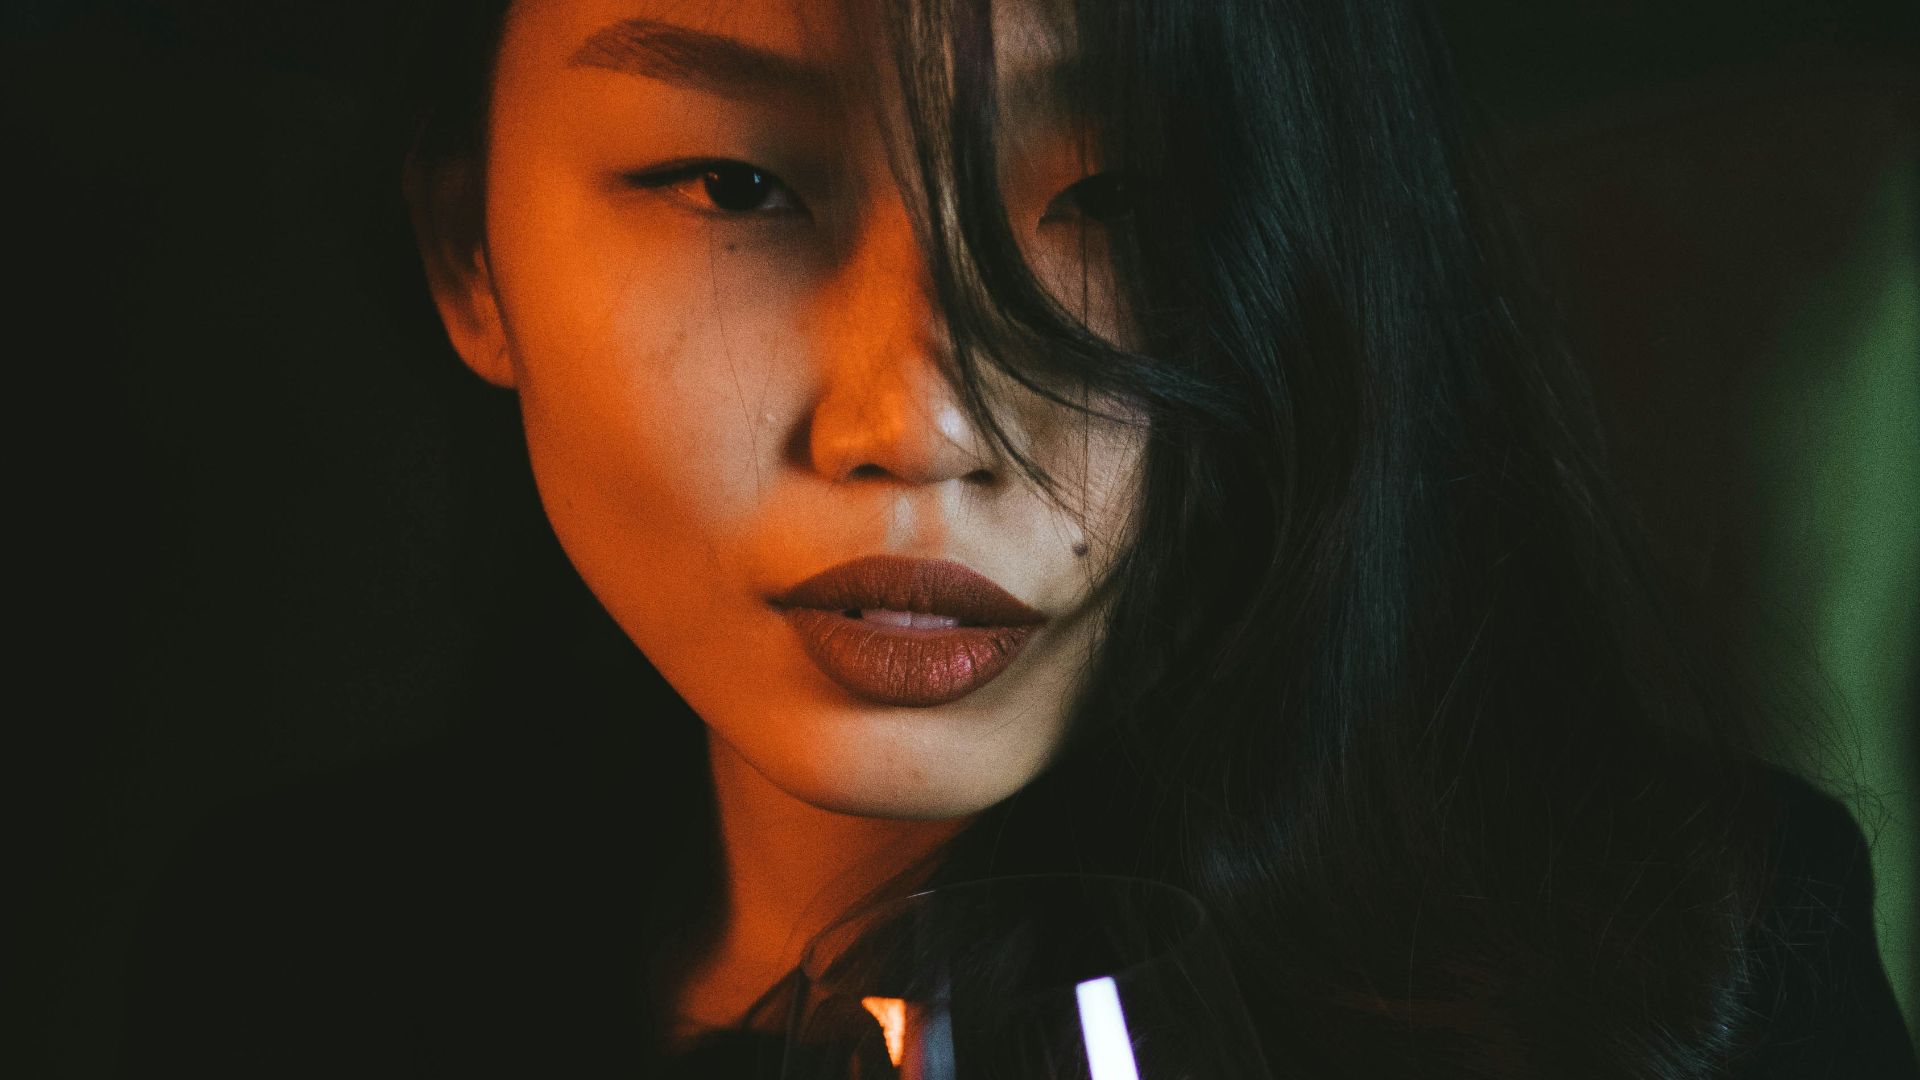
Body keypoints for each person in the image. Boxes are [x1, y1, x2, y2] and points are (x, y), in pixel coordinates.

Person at [118, 0, 1916, 1076]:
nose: (919, 422)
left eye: (1117, 201)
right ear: (468, 253)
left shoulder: (1661, 982)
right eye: (738, 183)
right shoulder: (287, 959)